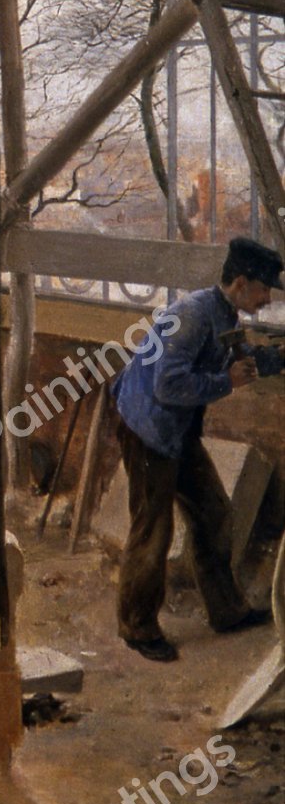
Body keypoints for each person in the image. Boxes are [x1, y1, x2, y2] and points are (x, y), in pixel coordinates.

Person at [111, 236, 283, 662]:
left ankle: (226, 610)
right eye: (264, 290)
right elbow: (168, 386)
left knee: (214, 513)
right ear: (241, 282)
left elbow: (238, 359)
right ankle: (137, 627)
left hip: (176, 428)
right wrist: (227, 383)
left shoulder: (223, 312)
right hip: (149, 429)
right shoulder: (191, 316)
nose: (267, 298)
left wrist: (278, 359)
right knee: (153, 529)